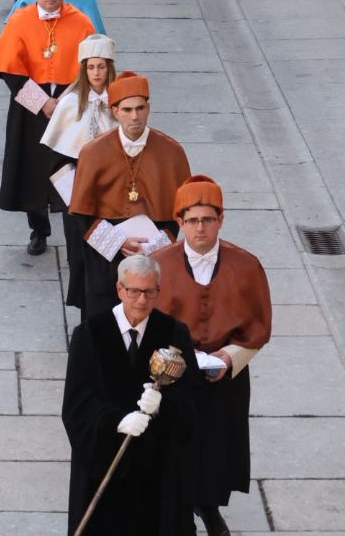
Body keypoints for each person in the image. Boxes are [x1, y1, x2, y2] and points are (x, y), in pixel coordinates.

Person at [156, 176, 272, 536]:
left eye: (208, 219)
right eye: (192, 221)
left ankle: (209, 506)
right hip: (174, 377)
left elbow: (258, 327)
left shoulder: (247, 265)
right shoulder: (158, 263)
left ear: (221, 219)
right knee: (175, 442)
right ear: (179, 223)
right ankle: (178, 508)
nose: (201, 227)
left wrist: (228, 357)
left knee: (219, 444)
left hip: (226, 376)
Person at [62, 252, 199, 536]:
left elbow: (191, 399)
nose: (141, 300)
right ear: (119, 289)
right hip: (103, 464)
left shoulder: (174, 333)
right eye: (134, 291)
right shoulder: (89, 334)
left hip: (156, 470)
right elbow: (77, 404)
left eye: (150, 292)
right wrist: (115, 421)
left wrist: (164, 404)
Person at [0, 0, 95, 255]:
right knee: (31, 167)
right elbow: (7, 69)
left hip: (70, 104)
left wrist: (66, 100)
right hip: (29, 106)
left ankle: (76, 224)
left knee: (68, 166)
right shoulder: (21, 20)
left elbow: (92, 68)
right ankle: (39, 229)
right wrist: (41, 102)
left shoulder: (81, 21)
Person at [68, 71, 192, 317]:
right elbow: (82, 213)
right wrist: (118, 242)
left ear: (148, 108)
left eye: (140, 108)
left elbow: (180, 213)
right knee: (102, 322)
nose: (134, 116)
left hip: (151, 250)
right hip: (104, 255)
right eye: (127, 110)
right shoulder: (93, 151)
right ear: (115, 111)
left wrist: (153, 245)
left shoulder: (172, 151)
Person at [40, 34, 116, 311]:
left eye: (101, 67)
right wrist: (73, 198)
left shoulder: (120, 102)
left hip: (113, 193)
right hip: (78, 194)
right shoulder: (71, 103)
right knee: (81, 257)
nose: (96, 73)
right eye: (91, 67)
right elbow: (58, 162)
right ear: (83, 69)